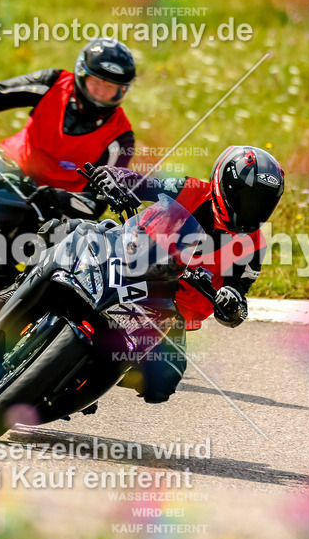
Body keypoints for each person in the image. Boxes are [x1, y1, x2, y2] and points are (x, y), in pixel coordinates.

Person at [87, 145, 285, 403]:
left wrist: (232, 302)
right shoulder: (190, 189)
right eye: (246, 198)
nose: (251, 209)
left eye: (261, 203)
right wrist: (115, 177)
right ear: (223, 186)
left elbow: (239, 298)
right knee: (76, 233)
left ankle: (87, 382)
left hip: (167, 312)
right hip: (132, 266)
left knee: (162, 383)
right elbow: (143, 183)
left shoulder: (255, 246)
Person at [0, 37, 137, 198]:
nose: (101, 92)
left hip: (50, 205)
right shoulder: (52, 82)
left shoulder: (121, 137)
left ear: (122, 91)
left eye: (110, 87)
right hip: (5, 168)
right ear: (81, 74)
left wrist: (62, 202)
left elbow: (100, 197)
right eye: (96, 82)